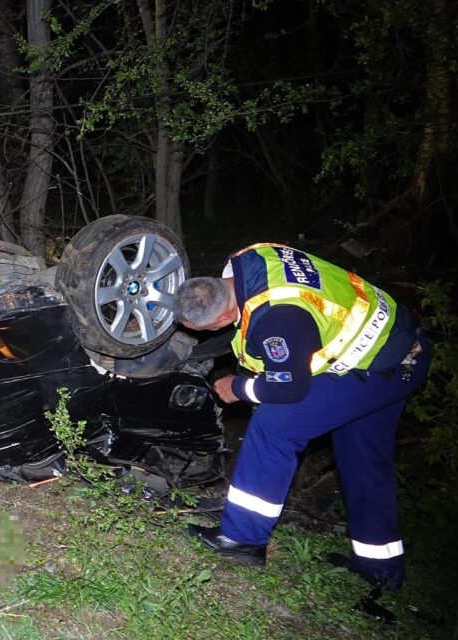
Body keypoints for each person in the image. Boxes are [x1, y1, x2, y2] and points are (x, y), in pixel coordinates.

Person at [175, 243, 429, 590]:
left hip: (380, 366)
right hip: (401, 345)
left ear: (222, 318)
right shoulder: (249, 258)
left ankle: (242, 539)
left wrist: (238, 387)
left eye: (201, 329)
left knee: (275, 426)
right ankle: (380, 567)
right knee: (363, 456)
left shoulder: (278, 320)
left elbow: (289, 387)